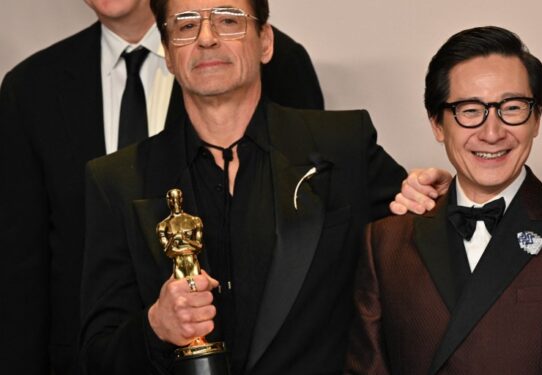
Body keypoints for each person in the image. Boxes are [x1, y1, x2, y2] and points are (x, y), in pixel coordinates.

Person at [78, 0, 542, 374]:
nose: (209, 37)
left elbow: (440, 212)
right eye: (186, 23)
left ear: (265, 41)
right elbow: (96, 351)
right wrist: (155, 326)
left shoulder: (343, 145)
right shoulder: (115, 180)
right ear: (167, 51)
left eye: (229, 19)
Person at [0, 1, 323, 374]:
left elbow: (312, 222)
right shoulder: (31, 86)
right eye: (186, 29)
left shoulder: (258, 55)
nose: (207, 39)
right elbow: (20, 261)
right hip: (92, 358)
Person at [346, 26, 542, 375]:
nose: (492, 132)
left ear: (536, 118)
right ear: (437, 124)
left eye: (512, 108)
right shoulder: (384, 242)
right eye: (470, 110)